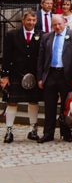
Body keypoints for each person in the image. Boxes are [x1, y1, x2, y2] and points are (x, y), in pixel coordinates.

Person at [36, 15, 72, 143]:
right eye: (54, 25)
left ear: (64, 22)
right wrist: (40, 78)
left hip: (66, 75)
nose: (57, 27)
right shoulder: (46, 37)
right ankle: (48, 133)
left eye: (59, 24)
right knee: (49, 106)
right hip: (50, 74)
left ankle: (66, 132)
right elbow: (40, 59)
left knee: (66, 105)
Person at [1, 11, 42, 143]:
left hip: (34, 74)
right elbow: (6, 56)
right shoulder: (12, 35)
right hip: (16, 73)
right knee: (12, 102)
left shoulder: (41, 35)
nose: (31, 23)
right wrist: (5, 75)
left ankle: (33, 130)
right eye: (29, 20)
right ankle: (9, 130)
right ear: (23, 20)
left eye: (33, 20)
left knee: (33, 102)